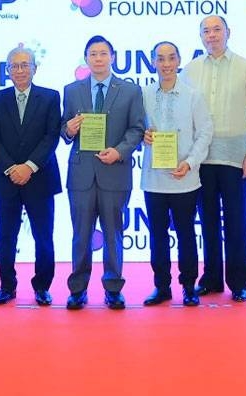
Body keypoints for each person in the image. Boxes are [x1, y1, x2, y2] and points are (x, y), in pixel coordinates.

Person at [184, 15, 246, 302]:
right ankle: (212, 279)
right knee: (207, 221)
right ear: (201, 37)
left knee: (236, 220)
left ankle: (239, 282)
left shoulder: (245, 68)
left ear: (228, 32)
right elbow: (183, 113)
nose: (212, 35)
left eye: (217, 29)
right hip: (201, 159)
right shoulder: (191, 70)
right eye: (206, 31)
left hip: (235, 158)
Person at [61, 35, 145, 310]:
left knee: (113, 234)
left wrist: (119, 151)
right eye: (93, 54)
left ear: (113, 57)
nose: (98, 58)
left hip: (115, 172)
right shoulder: (72, 90)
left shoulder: (130, 91)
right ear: (86, 58)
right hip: (81, 174)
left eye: (103, 53)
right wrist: (69, 130)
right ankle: (78, 289)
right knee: (80, 235)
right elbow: (64, 129)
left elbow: (137, 129)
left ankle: (113, 288)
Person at [0, 46, 62, 306]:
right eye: (14, 66)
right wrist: (11, 168)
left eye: (24, 65)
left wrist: (29, 166)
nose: (19, 70)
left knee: (43, 236)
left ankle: (42, 286)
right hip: (7, 180)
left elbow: (51, 136)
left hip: (40, 178)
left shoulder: (51, 97)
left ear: (34, 68)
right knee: (6, 237)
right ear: (7, 71)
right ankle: (7, 286)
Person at [140, 41, 213, 307]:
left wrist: (191, 162)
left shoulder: (193, 95)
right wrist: (142, 136)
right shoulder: (144, 94)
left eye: (171, 58)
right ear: (153, 62)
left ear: (179, 60)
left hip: (185, 178)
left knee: (186, 234)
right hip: (154, 179)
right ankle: (161, 287)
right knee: (157, 236)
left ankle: (189, 286)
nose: (166, 64)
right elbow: (135, 129)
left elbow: (205, 132)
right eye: (160, 59)